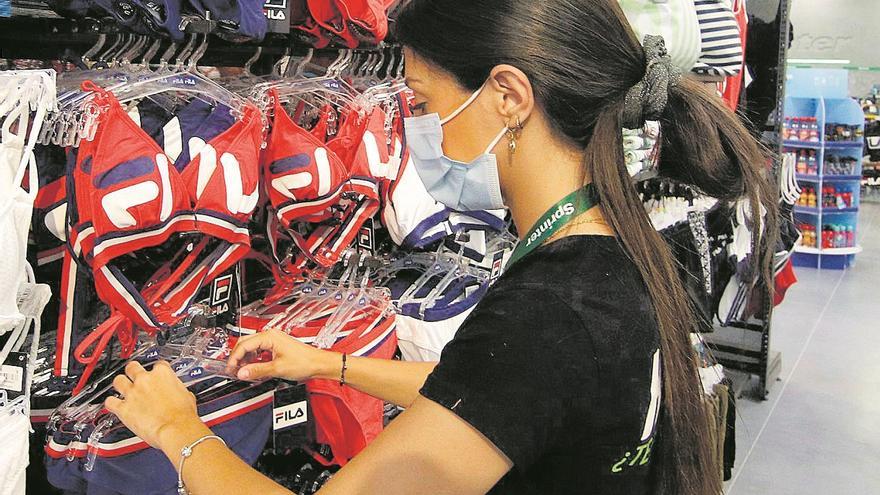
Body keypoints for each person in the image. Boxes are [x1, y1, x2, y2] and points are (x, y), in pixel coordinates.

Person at [104, 0, 776, 493]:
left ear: (508, 95)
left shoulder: (555, 305)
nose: (417, 134)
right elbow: (505, 395)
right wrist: (328, 364)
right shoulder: (608, 242)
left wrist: (178, 431)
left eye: (421, 107)